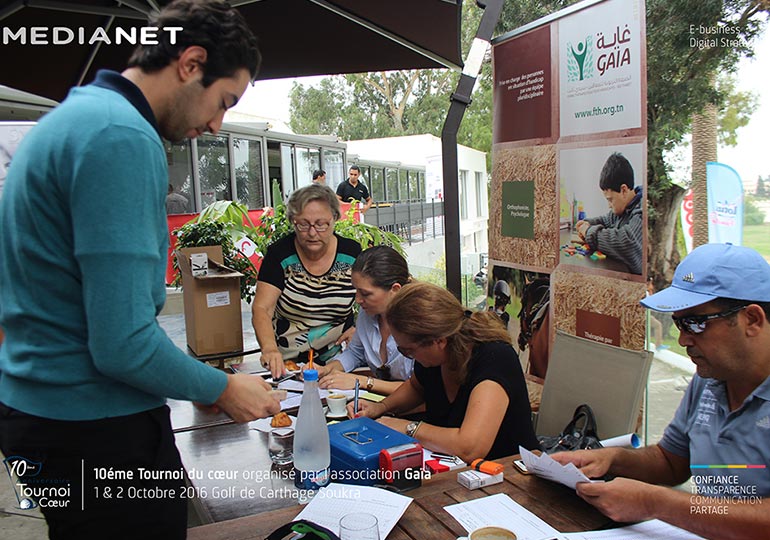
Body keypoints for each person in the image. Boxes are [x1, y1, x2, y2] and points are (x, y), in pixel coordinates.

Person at [0, 2, 283, 538]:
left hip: (38, 412)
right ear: (191, 62)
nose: (217, 124)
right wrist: (222, 387)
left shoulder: (70, 118)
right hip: (96, 427)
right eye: (223, 101)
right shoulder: (120, 137)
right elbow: (124, 343)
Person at [553, 243, 770, 540]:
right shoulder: (711, 378)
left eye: (696, 323)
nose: (682, 340)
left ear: (753, 320)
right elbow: (671, 462)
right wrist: (613, 459)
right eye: (679, 323)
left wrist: (657, 503)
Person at [352, 282, 540, 462]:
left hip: (509, 474)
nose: (408, 356)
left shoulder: (494, 358)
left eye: (408, 350)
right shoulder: (434, 359)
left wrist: (408, 428)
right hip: (453, 468)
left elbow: (470, 447)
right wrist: (381, 408)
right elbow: (416, 388)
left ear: (439, 341)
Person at [252, 184, 361, 379]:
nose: (312, 233)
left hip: (339, 361)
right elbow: (262, 308)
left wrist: (359, 330)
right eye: (303, 224)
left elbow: (373, 298)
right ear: (293, 222)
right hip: (288, 363)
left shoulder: (352, 253)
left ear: (334, 219)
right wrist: (269, 349)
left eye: (321, 224)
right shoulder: (279, 254)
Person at [312, 246, 414, 395]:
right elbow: (355, 353)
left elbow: (421, 389)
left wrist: (362, 382)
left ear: (395, 290)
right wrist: (327, 370)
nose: (358, 299)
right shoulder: (367, 314)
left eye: (365, 293)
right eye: (356, 290)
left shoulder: (419, 323)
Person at [575, 152, 643, 274]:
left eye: (610, 199)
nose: (609, 205)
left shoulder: (642, 209)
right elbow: (605, 220)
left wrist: (588, 232)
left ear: (623, 190)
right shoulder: (623, 209)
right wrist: (585, 223)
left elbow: (627, 242)